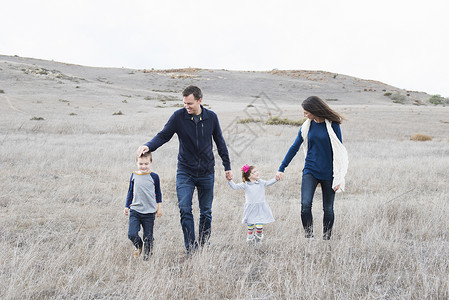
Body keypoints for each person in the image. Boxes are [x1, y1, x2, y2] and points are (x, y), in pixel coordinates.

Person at [136, 85, 232, 254]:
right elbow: (163, 135)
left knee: (206, 213)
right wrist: (148, 145)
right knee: (185, 209)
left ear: (200, 101)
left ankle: (203, 245)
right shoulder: (178, 117)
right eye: (185, 103)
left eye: (190, 103)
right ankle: (191, 248)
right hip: (185, 172)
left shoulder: (211, 118)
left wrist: (227, 167)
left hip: (206, 172)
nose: (186, 107)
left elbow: (220, 142)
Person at [276, 96, 348, 240]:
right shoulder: (306, 126)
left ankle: (326, 239)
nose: (304, 115)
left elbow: (339, 151)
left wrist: (339, 177)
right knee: (305, 205)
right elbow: (294, 147)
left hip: (329, 172)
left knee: (328, 209)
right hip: (310, 170)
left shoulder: (333, 125)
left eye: (306, 112)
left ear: (315, 110)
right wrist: (282, 167)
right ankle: (309, 238)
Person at [124, 152, 162, 260]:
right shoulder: (134, 175)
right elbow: (130, 192)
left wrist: (159, 207)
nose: (143, 166)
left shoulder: (154, 177)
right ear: (136, 163)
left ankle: (147, 259)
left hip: (149, 212)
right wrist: (127, 206)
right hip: (135, 210)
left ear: (150, 162)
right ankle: (138, 246)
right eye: (141, 164)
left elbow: (158, 193)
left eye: (146, 164)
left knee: (148, 237)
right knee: (132, 234)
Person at [228, 164, 278, 243]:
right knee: (250, 226)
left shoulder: (261, 182)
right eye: (254, 172)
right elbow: (235, 187)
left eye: (257, 171)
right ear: (249, 176)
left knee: (259, 226)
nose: (257, 172)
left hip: (260, 208)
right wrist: (230, 180)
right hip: (250, 208)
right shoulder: (246, 185)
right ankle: (250, 239)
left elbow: (269, 182)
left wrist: (276, 179)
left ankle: (258, 240)